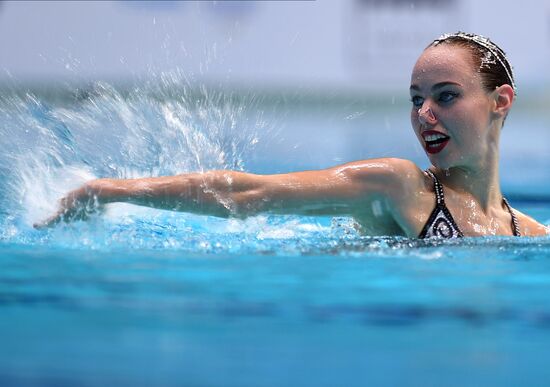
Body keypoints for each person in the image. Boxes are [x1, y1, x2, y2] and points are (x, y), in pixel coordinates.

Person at [35, 32, 549, 238]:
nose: (425, 115)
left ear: (500, 101)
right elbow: (252, 192)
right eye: (417, 99)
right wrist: (107, 190)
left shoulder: (529, 234)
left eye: (446, 96)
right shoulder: (400, 187)